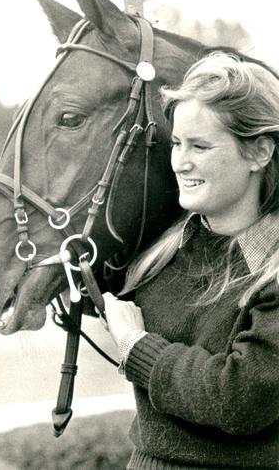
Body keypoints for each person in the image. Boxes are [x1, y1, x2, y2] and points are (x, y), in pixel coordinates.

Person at [103, 52, 279, 470]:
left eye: (200, 146)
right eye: (177, 144)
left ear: (259, 153)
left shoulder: (271, 274)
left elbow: (238, 398)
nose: (181, 162)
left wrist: (137, 348)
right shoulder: (163, 252)